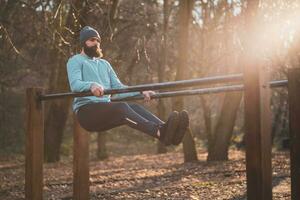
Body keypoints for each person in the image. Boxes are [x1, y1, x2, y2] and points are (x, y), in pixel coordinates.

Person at [66, 26, 189, 146]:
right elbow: (75, 84)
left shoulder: (104, 64)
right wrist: (91, 85)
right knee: (122, 107)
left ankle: (169, 133)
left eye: (98, 40)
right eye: (92, 40)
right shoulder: (75, 60)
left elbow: (119, 88)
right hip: (87, 113)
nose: (96, 43)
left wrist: (140, 92)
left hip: (104, 109)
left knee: (135, 107)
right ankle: (160, 132)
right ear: (83, 42)